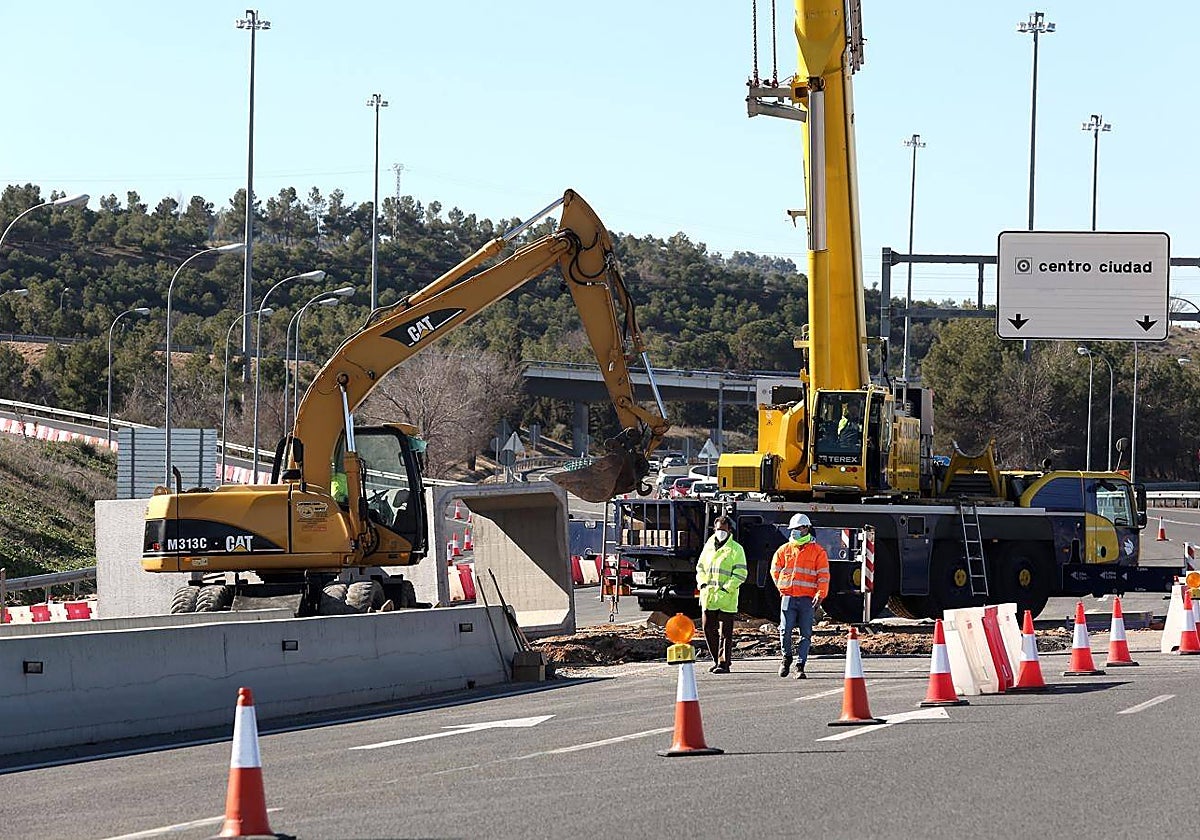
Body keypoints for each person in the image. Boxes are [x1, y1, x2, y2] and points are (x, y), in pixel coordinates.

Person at [770, 513, 830, 679]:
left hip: (807, 599)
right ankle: (786, 657)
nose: (795, 531)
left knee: (806, 634)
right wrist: (781, 587)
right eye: (793, 529)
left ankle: (800, 665)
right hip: (788, 596)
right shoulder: (784, 550)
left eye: (799, 528)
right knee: (785, 631)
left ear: (806, 529)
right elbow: (775, 570)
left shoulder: (818, 552)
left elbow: (823, 576)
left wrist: (820, 594)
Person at [695, 515, 748, 674]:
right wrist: (702, 584)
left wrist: (727, 588)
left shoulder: (736, 549)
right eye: (718, 530)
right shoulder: (708, 546)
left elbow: (741, 573)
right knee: (707, 628)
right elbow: (700, 568)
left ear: (729, 531)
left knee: (725, 634)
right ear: (714, 529)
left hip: (727, 598)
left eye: (724, 530)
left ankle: (724, 663)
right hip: (709, 597)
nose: (721, 533)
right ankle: (716, 660)